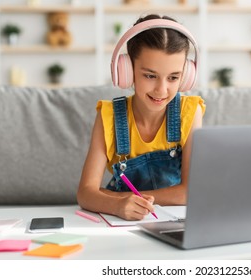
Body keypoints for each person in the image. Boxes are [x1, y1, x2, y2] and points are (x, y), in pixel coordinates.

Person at [77, 14, 206, 221]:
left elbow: (189, 192)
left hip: (172, 221)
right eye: (150, 75)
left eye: (173, 77)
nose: (161, 90)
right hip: (122, 222)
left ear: (186, 75)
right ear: (127, 70)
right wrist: (118, 206)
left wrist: (118, 197)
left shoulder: (190, 112)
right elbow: (85, 193)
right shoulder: (109, 116)